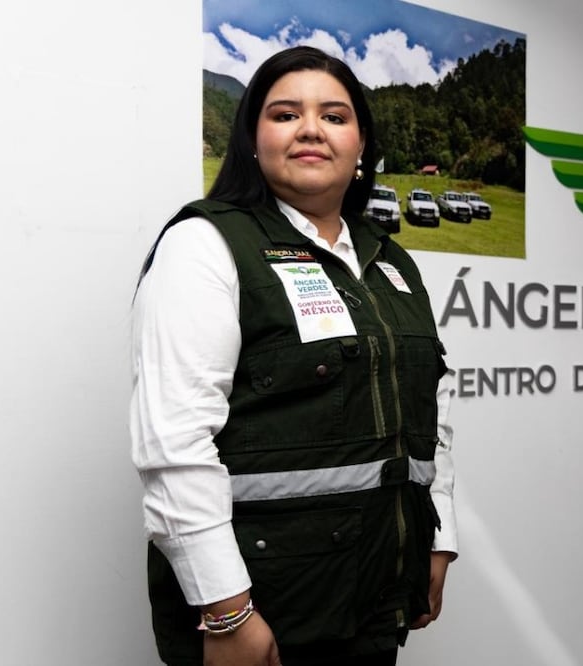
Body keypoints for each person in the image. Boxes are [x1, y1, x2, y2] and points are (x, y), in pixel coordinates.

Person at [129, 46, 457, 666]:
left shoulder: (391, 262)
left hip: (374, 601)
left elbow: (431, 420)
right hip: (261, 612)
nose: (310, 128)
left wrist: (437, 542)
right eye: (285, 114)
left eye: (334, 116)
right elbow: (173, 443)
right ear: (253, 137)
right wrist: (227, 612)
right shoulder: (205, 244)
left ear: (362, 147)